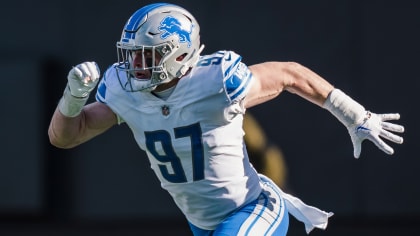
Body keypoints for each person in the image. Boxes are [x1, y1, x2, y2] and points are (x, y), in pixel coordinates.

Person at [48, 3, 405, 235]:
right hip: (202, 223)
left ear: (178, 54)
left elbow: (288, 74)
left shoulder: (215, 80)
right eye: (132, 55)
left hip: (253, 206)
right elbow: (65, 137)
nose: (135, 66)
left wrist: (354, 114)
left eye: (146, 56)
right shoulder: (125, 91)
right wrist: (73, 98)